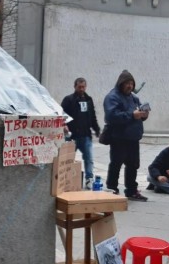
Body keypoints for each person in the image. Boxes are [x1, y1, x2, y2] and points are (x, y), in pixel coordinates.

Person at [103, 70, 149, 201]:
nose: (130, 86)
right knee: (116, 164)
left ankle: (131, 190)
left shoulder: (133, 97)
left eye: (131, 83)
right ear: (121, 84)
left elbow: (138, 112)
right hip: (119, 137)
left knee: (133, 165)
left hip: (133, 138)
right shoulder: (112, 97)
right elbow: (111, 116)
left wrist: (143, 115)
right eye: (127, 83)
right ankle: (112, 189)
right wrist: (132, 115)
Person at [61, 77, 101, 189]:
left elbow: (92, 116)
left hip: (85, 135)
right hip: (71, 135)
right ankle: (65, 178)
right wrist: (64, 126)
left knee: (88, 158)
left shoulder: (88, 100)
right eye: (79, 87)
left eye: (83, 87)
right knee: (67, 159)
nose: (81, 89)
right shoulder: (68, 99)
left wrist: (97, 129)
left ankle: (89, 178)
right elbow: (61, 114)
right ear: (75, 87)